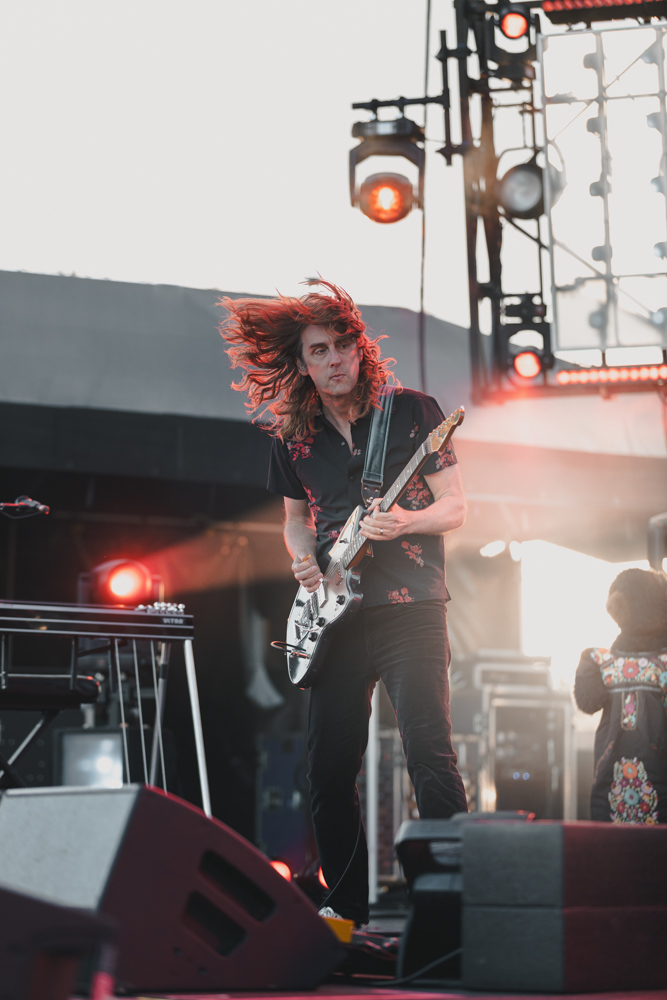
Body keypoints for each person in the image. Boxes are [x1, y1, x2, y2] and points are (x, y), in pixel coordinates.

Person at [220, 278, 468, 925]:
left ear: (361, 349)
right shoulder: (292, 435)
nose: (333, 360)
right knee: (327, 773)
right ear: (302, 363)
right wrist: (298, 558)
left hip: (411, 605)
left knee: (429, 755)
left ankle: (459, 907)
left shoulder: (413, 412)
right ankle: (345, 916)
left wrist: (406, 524)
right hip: (335, 617)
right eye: (318, 350)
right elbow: (293, 519)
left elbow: (457, 507)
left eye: (341, 346)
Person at [574, 567, 667, 824]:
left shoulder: (599, 662)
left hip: (610, 786)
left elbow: (588, 700)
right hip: (659, 791)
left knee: (611, 853)